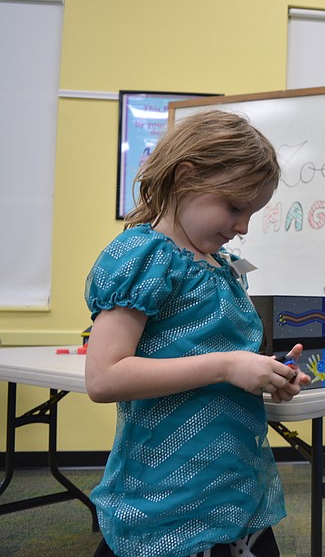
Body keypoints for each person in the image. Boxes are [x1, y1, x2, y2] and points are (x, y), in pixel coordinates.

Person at [84, 110, 310, 557]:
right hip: (165, 499)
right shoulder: (146, 255)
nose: (243, 226)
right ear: (185, 178)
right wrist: (228, 366)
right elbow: (104, 377)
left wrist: (268, 375)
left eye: (252, 213)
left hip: (237, 488)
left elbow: (217, 357)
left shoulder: (220, 267)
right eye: (234, 207)